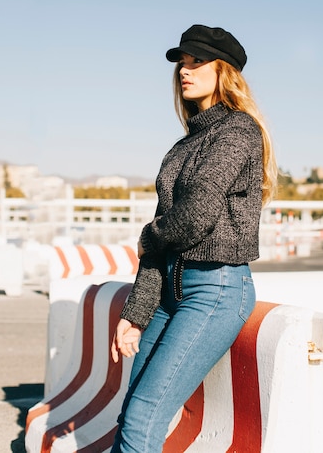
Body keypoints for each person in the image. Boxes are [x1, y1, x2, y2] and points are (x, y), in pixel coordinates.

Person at [110, 24, 278, 453]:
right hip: (170, 289)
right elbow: (161, 241)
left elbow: (194, 217)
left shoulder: (238, 131)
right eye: (183, 62)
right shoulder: (182, 147)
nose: (185, 70)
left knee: (144, 415)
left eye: (197, 61)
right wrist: (136, 313)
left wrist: (148, 237)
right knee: (132, 410)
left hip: (215, 290)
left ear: (224, 71)